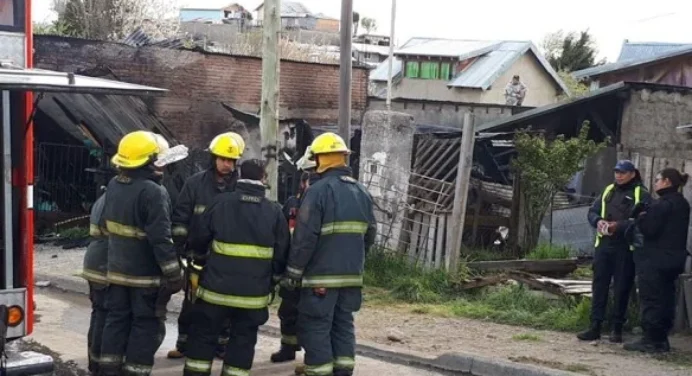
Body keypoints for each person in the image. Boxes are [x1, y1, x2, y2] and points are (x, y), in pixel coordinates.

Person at [183, 158, 291, 376]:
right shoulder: (274, 212)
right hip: (252, 297)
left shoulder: (219, 203)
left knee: (203, 337)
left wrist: (200, 266)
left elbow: (198, 240)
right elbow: (281, 255)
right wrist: (273, 281)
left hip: (214, 292)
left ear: (240, 175)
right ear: (264, 178)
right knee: (243, 341)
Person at [282, 132, 377, 376]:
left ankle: (319, 372)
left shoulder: (317, 191)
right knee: (343, 325)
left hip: (320, 278)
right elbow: (370, 234)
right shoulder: (361, 191)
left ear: (322, 159)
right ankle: (343, 371)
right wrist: (355, 259)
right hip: (351, 276)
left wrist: (293, 273)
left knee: (316, 327)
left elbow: (304, 238)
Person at [98, 131, 186, 376]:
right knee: (145, 328)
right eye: (158, 160)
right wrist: (174, 274)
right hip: (145, 280)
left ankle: (108, 371)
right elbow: (161, 239)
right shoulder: (153, 192)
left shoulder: (114, 186)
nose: (162, 165)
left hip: (116, 275)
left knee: (115, 324)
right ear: (146, 162)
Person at [167, 132, 245, 360]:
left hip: (227, 259)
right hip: (197, 257)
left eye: (231, 160)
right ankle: (184, 344)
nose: (227, 164)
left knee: (224, 306)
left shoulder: (240, 188)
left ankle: (221, 346)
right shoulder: (195, 184)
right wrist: (179, 249)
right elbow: (180, 218)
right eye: (223, 159)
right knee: (192, 303)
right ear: (214, 158)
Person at [577, 160, 651, 343]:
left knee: (621, 288)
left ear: (632, 174)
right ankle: (595, 326)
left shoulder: (641, 193)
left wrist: (619, 226)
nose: (618, 175)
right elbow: (592, 211)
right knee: (599, 285)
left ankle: (616, 328)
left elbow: (645, 221)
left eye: (623, 172)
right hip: (604, 246)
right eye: (617, 171)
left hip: (625, 248)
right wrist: (598, 222)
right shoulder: (608, 190)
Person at [624, 168, 690, 353]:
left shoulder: (662, 204)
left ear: (667, 182)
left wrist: (639, 217)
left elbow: (650, 230)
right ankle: (661, 339)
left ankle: (651, 339)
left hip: (655, 259)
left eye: (658, 180)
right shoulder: (682, 203)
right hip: (674, 258)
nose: (655, 183)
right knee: (666, 297)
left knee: (652, 298)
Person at [271, 147, 319, 364]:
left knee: (311, 315)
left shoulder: (321, 203)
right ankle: (288, 347)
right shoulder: (292, 204)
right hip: (291, 266)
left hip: (314, 268)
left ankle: (311, 355)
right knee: (288, 310)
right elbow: (281, 236)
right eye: (307, 179)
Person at [82, 189, 109, 374]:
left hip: (94, 261)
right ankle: (100, 365)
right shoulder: (120, 196)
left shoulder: (104, 197)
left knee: (99, 314)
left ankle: (94, 363)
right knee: (106, 316)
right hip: (105, 264)